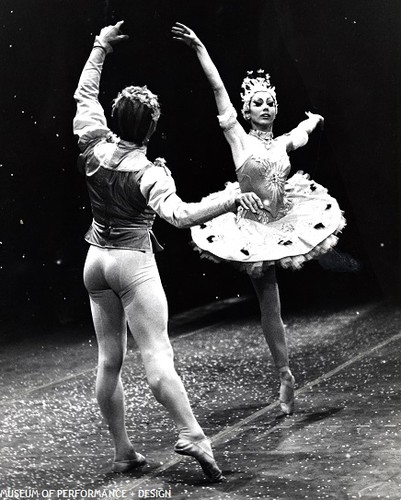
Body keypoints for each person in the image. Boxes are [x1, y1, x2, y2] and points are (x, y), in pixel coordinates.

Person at [73, 21, 263, 481]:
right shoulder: (149, 172)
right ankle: (192, 434)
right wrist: (231, 197)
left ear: (115, 120)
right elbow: (179, 216)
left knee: (109, 361)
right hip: (132, 264)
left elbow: (84, 94)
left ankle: (123, 453)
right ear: (152, 126)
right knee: (157, 355)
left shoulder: (94, 145)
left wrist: (100, 46)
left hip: (94, 261)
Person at [172, 23, 345, 415]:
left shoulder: (282, 142)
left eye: (270, 102)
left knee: (283, 292)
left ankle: (284, 370)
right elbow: (218, 90)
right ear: (246, 110)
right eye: (258, 103)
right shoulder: (238, 137)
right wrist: (200, 47)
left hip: (287, 217)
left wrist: (314, 119)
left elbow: (301, 133)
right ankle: (284, 373)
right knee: (271, 303)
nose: (265, 107)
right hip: (252, 228)